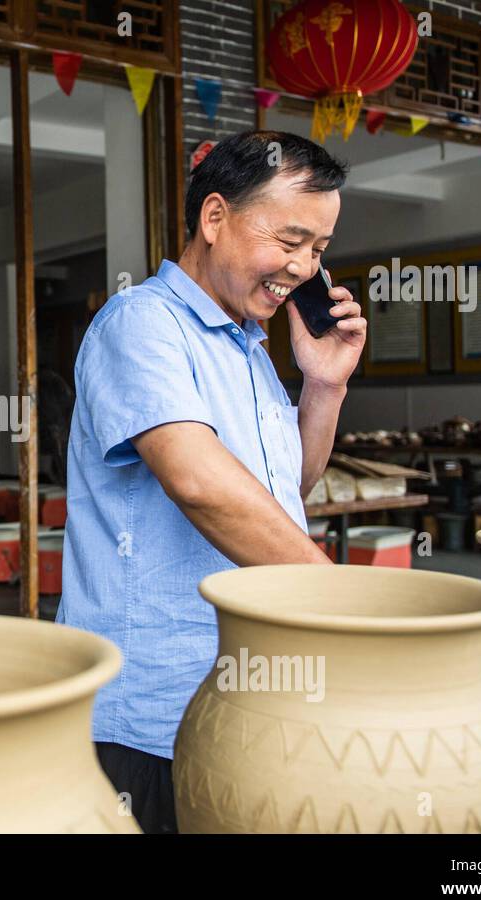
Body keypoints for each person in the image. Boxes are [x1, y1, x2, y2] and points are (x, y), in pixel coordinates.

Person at [56, 130, 367, 833]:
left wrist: (323, 389)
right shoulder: (141, 324)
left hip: (244, 693)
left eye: (318, 250)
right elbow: (199, 482)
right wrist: (345, 603)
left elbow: (286, 489)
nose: (303, 268)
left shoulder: (252, 348)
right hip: (153, 708)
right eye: (289, 240)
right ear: (215, 217)